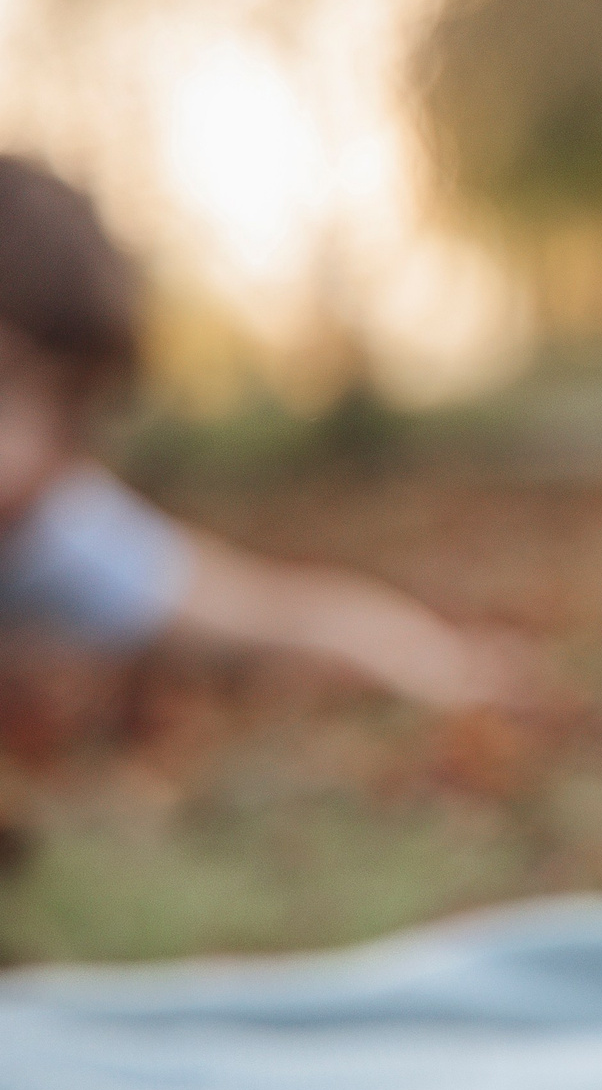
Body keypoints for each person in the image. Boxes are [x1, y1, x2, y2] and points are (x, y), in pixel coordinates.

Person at [0, 155, 525, 710]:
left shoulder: (50, 533)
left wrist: (435, 663)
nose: (26, 451)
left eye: (71, 412)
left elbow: (268, 613)